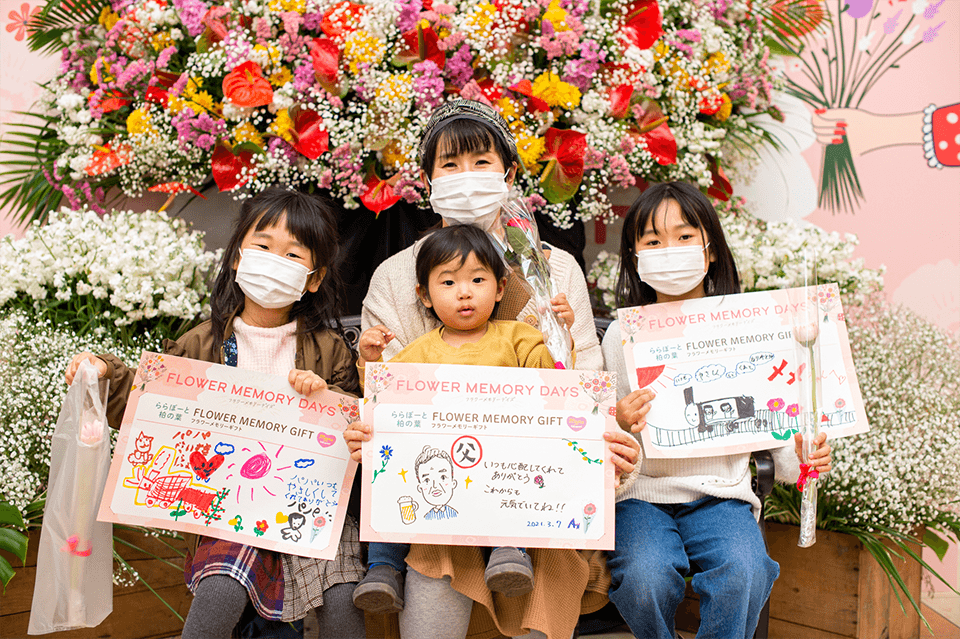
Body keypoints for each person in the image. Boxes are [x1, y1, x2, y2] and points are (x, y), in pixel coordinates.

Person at [64, 187, 367, 639]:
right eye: (263, 247)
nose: (274, 262)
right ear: (238, 258)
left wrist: (327, 396)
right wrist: (104, 370)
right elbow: (149, 404)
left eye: (292, 255)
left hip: (310, 507)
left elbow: (354, 422)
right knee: (221, 588)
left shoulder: (331, 349)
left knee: (343, 598)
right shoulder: (199, 343)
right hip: (228, 507)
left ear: (314, 278)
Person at [347, 223, 639, 639]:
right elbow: (385, 401)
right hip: (447, 477)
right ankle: (384, 568)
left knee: (510, 482)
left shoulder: (520, 337)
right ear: (424, 296)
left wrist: (560, 333)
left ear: (501, 288)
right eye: (448, 282)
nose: (464, 293)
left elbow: (557, 385)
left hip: (508, 477)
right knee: (395, 487)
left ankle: (510, 551)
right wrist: (370, 360)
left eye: (478, 280)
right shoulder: (419, 351)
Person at [600, 181, 834, 639]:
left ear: (710, 252)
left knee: (745, 570)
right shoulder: (620, 336)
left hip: (721, 496)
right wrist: (619, 421)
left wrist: (804, 455)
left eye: (685, 236)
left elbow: (777, 430)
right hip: (640, 497)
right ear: (635, 258)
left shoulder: (749, 328)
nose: (670, 250)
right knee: (645, 577)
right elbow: (603, 441)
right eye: (653, 241)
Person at [361, 99, 602, 371]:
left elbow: (588, 377)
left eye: (481, 162)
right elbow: (384, 383)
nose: (467, 177)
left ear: (509, 175)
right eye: (450, 165)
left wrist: (561, 336)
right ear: (427, 181)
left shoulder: (557, 270)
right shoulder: (393, 277)